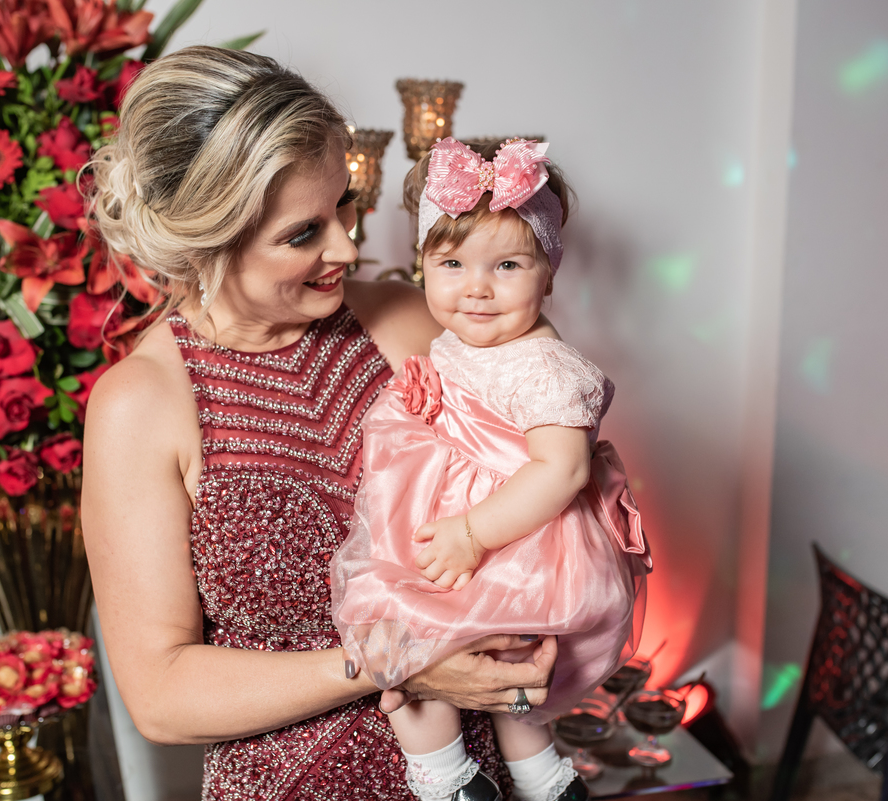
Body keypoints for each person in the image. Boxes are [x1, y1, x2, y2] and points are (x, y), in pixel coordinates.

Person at [80, 47, 560, 800]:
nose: (347, 246)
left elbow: (544, 492)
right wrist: (394, 660)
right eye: (303, 232)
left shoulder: (409, 321)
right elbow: (161, 695)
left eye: (345, 204)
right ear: (208, 240)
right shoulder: (140, 405)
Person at [331, 138, 652, 801]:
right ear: (422, 266)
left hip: (515, 543)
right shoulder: (466, 339)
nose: (476, 288)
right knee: (485, 665)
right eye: (451, 263)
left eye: (506, 265)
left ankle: (446, 777)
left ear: (548, 274)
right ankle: (542, 779)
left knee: (420, 632)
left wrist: (473, 533)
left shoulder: (545, 367)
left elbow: (562, 471)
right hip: (469, 528)